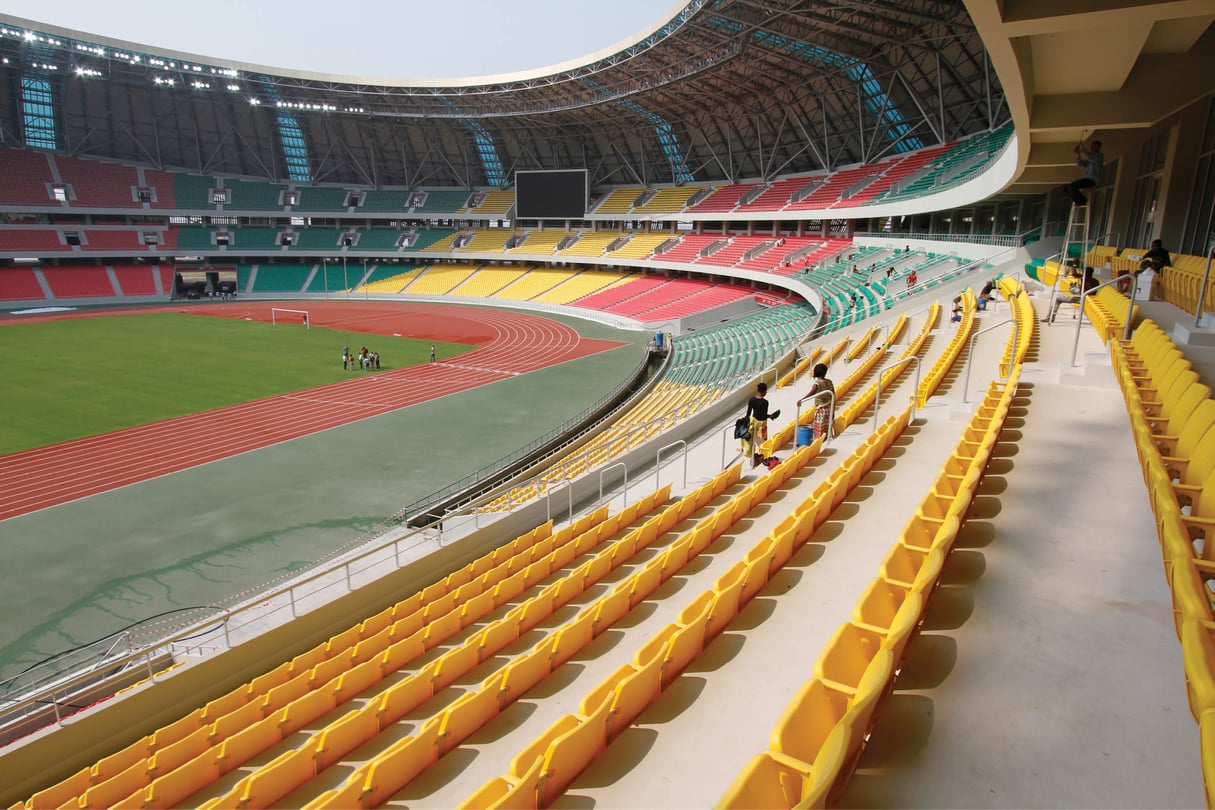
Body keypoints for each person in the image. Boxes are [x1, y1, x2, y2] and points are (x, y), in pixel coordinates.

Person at [741, 382, 781, 468]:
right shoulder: (765, 402)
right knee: (762, 443)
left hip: (754, 423)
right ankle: (761, 458)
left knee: (756, 441)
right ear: (763, 391)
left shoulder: (752, 400)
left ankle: (756, 458)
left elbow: (748, 414)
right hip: (762, 425)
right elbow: (763, 415)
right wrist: (770, 416)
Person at [799, 364, 836, 440]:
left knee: (819, 428)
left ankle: (819, 442)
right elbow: (833, 396)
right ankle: (825, 440)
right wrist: (833, 411)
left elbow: (812, 393)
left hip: (821, 409)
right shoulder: (829, 382)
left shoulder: (817, 383)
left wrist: (802, 400)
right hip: (829, 407)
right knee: (826, 427)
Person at [1061, 139, 1103, 206]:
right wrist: (1078, 156)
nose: (1091, 148)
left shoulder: (1099, 156)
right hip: (1086, 179)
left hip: (1092, 180)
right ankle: (1080, 200)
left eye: (1094, 146)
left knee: (1072, 186)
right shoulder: (1091, 159)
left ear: (1098, 147)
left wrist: (1082, 148)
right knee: (1066, 188)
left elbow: (1090, 156)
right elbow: (1080, 165)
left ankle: (1082, 201)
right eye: (1091, 146)